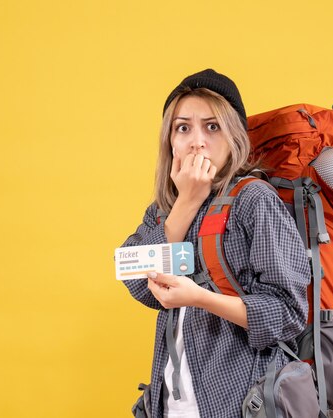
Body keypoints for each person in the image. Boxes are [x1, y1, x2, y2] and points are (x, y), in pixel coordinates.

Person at [121, 69, 310, 418]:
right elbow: (136, 283)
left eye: (212, 126)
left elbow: (288, 314)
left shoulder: (253, 201)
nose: (197, 141)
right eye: (183, 127)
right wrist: (188, 201)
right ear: (170, 141)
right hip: (172, 406)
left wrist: (200, 298)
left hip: (241, 401)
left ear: (234, 137)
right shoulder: (163, 211)